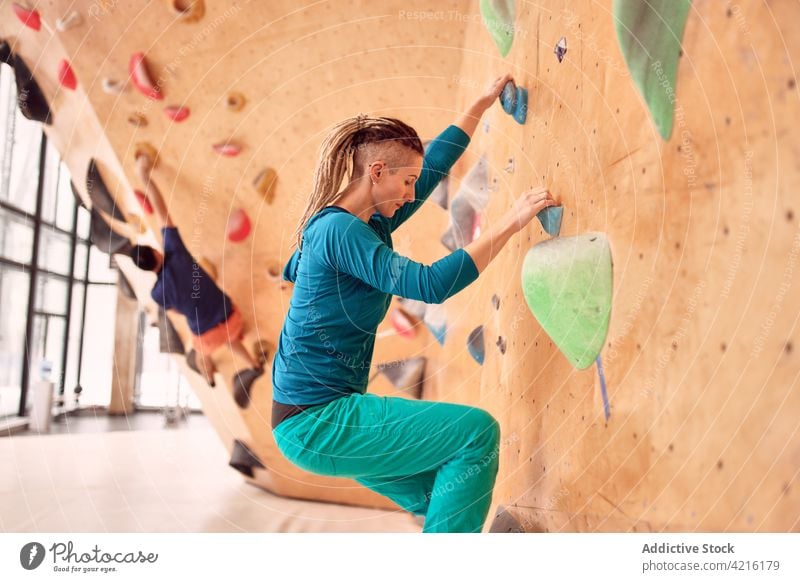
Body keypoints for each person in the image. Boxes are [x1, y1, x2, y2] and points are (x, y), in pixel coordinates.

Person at [272, 74, 556, 532]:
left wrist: (479, 106)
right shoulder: (338, 230)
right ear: (376, 173)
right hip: (318, 421)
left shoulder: (362, 223)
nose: (411, 193)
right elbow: (429, 285)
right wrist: (510, 221)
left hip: (315, 416)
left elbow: (433, 167)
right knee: (476, 435)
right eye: (404, 182)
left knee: (441, 491)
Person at [128, 152, 264, 408]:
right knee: (232, 339)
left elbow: (177, 310)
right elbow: (161, 210)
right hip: (228, 313)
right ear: (155, 251)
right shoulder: (174, 249)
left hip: (205, 331)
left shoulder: (157, 294)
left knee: (200, 352)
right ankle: (254, 366)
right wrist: (144, 175)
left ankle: (208, 376)